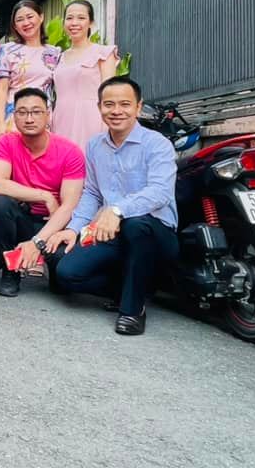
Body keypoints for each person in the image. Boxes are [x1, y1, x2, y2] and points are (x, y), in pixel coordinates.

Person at [54, 76, 179, 336]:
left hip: (155, 234)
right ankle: (134, 286)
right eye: (109, 104)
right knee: (66, 273)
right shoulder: (95, 145)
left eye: (125, 104)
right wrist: (74, 229)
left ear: (138, 107)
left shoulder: (157, 144)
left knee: (136, 224)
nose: (116, 111)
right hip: (111, 233)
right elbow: (92, 192)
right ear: (99, 107)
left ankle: (132, 310)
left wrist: (117, 210)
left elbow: (160, 192)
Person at [0, 87, 85, 297]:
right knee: (0, 203)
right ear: (14, 116)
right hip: (22, 217)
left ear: (48, 115)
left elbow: (69, 206)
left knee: (63, 283)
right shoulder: (6, 142)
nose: (29, 118)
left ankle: (48, 264)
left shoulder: (70, 152)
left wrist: (38, 242)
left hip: (54, 222)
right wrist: (45, 196)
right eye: (22, 112)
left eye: (36, 112)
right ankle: (10, 270)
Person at [51, 0, 118, 150]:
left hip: (92, 118)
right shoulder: (58, 57)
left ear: (91, 23)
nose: (74, 23)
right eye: (69, 18)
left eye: (81, 18)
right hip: (61, 118)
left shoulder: (103, 53)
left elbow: (111, 93)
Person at [0, 0, 61, 138]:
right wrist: (0, 124)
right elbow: (1, 88)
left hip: (43, 116)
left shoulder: (54, 52)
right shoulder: (7, 50)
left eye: (30, 17)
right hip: (15, 114)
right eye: (20, 20)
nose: (26, 23)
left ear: (41, 17)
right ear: (15, 26)